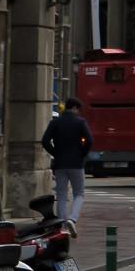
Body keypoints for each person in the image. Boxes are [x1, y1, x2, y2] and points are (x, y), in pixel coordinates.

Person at [42, 96, 92, 234]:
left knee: (61, 194)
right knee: (79, 193)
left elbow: (45, 141)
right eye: (78, 110)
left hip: (60, 164)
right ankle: (72, 219)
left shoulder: (55, 122)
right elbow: (89, 140)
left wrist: (55, 153)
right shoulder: (80, 122)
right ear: (75, 108)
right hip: (76, 163)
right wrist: (82, 154)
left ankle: (62, 225)